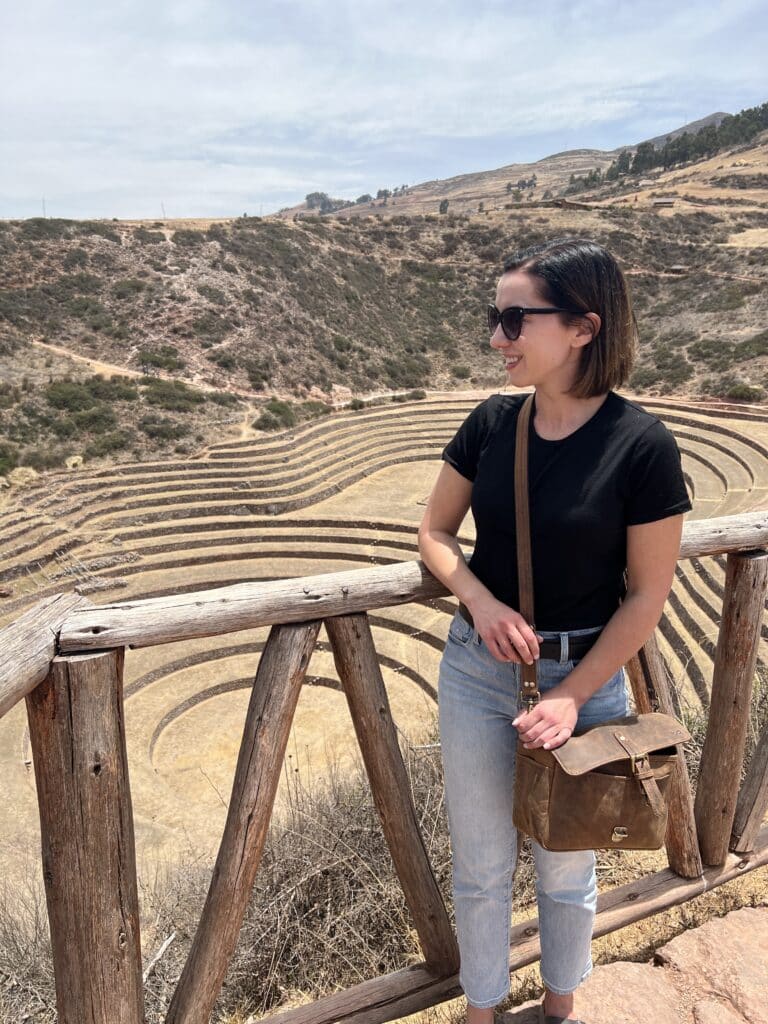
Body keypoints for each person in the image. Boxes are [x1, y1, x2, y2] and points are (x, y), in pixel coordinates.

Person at [417, 237, 691, 1024]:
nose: (497, 338)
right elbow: (434, 533)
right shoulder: (491, 424)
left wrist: (571, 698)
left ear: (582, 328)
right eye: (493, 318)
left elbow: (647, 597)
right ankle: (484, 1010)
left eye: (513, 320)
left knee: (565, 865)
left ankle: (560, 1007)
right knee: (479, 864)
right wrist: (480, 599)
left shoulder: (643, 447)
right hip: (477, 670)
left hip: (584, 681)